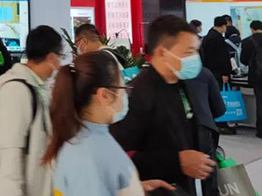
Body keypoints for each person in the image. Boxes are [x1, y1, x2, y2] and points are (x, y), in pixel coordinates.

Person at [44, 51, 173, 196]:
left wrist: (133, 188)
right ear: (104, 95)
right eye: (123, 88)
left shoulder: (87, 137)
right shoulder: (88, 154)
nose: (125, 95)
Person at [111, 15, 215, 193]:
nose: (195, 58)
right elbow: (120, 155)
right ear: (161, 53)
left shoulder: (183, 83)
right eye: (188, 52)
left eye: (196, 51)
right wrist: (176, 162)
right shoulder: (138, 94)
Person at [0, 25, 63, 196]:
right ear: (51, 58)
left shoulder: (37, 87)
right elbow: (10, 158)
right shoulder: (15, 91)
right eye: (61, 57)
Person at [184, 66, 226, 196]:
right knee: (209, 178)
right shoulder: (204, 73)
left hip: (179, 134)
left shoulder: (165, 75)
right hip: (204, 129)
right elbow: (220, 109)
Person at [201, 16, 232, 87]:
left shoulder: (207, 37)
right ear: (223, 26)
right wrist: (225, 73)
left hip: (209, 71)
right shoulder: (218, 38)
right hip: (219, 73)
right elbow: (223, 57)